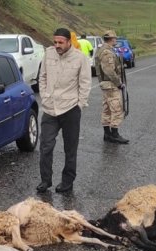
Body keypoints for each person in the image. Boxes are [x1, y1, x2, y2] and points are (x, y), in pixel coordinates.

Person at [36, 27, 91, 194]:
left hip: (70, 109)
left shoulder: (80, 58)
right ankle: (45, 180)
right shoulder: (49, 54)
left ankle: (67, 182)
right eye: (55, 42)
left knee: (70, 148)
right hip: (50, 109)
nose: (57, 45)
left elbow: (85, 83)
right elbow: (43, 76)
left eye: (61, 42)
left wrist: (79, 104)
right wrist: (45, 96)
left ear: (69, 42)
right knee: (45, 146)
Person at [95, 30, 129, 144]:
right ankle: (114, 134)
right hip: (111, 84)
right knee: (116, 108)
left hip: (106, 84)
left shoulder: (102, 50)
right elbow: (109, 70)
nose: (116, 40)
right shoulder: (107, 52)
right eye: (114, 38)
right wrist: (119, 83)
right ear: (111, 39)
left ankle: (107, 134)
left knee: (107, 109)